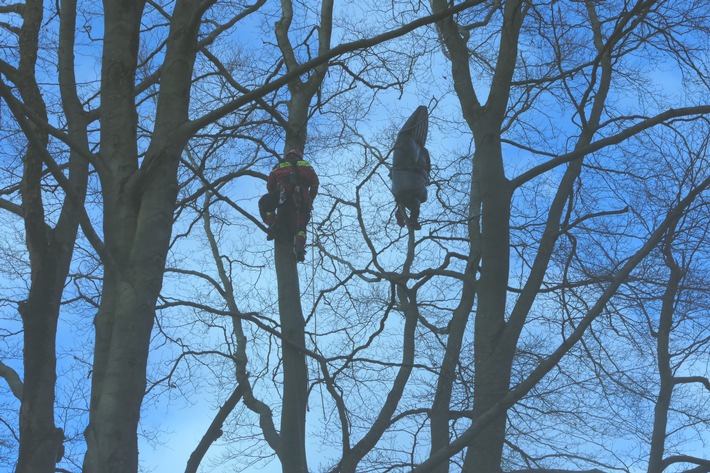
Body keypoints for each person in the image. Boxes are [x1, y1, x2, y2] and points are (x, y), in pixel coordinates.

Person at [258, 149, 319, 262]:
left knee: (265, 203)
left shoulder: (279, 166)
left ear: (287, 156)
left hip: (283, 194)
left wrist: (275, 192)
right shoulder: (306, 165)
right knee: (300, 225)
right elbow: (315, 183)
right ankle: (299, 245)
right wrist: (310, 198)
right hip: (301, 197)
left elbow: (270, 185)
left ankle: (273, 223)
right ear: (299, 156)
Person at [391, 105, 430, 230]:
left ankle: (402, 211)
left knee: (411, 199)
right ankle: (411, 219)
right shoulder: (415, 148)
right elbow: (425, 169)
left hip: (403, 183)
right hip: (410, 181)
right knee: (415, 201)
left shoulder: (415, 148)